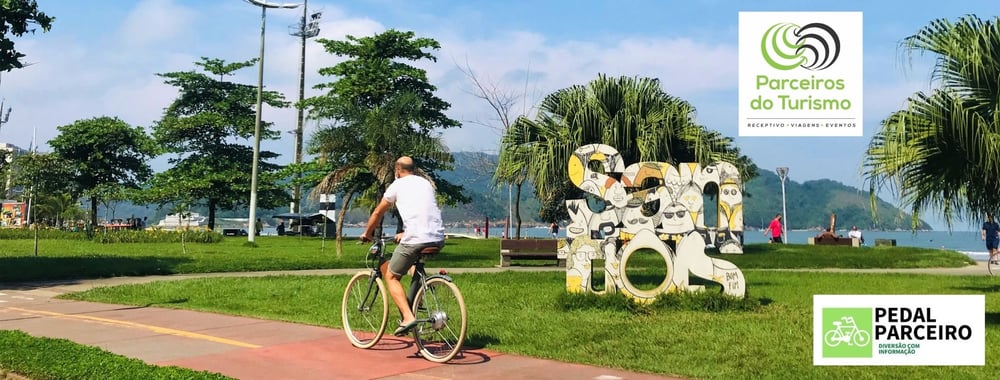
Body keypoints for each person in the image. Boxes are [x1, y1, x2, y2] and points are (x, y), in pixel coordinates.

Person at [360, 156, 445, 337]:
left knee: (391, 276)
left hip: (416, 239)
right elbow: (424, 212)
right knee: (410, 264)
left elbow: (377, 212)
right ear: (413, 169)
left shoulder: (397, 185)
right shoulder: (425, 183)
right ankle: (418, 296)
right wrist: (405, 233)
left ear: (397, 171)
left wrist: (367, 234)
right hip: (437, 237)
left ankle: (407, 317)